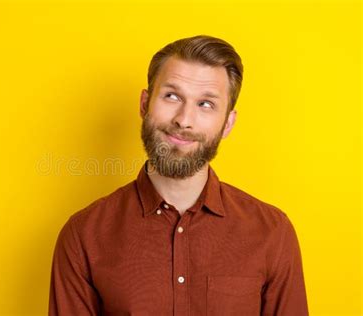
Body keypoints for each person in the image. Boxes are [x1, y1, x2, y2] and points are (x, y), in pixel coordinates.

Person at [48, 35, 309, 315]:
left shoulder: (272, 233)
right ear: (145, 104)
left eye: (206, 104)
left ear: (227, 123)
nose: (184, 120)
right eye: (172, 96)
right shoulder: (83, 236)